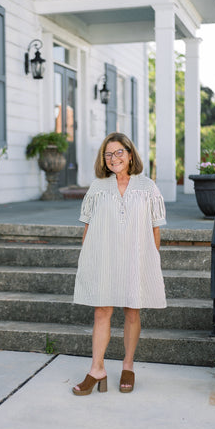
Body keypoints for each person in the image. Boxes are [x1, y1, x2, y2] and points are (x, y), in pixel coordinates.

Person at [72, 132, 166, 396]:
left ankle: (128, 365)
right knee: (102, 311)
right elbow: (88, 227)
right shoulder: (97, 187)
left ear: (130, 154)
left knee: (132, 311)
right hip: (104, 258)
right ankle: (96, 369)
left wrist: (151, 261)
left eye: (118, 152)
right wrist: (87, 259)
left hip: (135, 259)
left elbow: (155, 229)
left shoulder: (148, 187)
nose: (113, 158)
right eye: (108, 154)